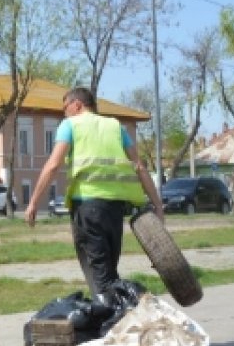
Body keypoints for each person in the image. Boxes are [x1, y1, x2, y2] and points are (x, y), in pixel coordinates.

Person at [24, 86, 164, 303]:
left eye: (65, 108)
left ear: (77, 105)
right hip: (115, 209)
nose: (64, 113)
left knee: (101, 276)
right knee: (108, 269)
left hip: (88, 210)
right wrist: (158, 205)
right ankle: (119, 316)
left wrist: (33, 202)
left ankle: (116, 322)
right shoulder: (115, 126)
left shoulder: (70, 125)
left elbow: (53, 165)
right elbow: (139, 167)